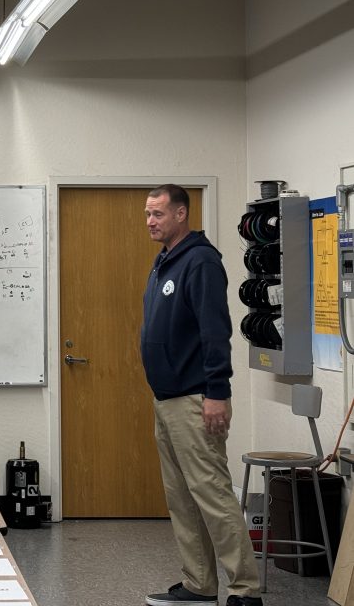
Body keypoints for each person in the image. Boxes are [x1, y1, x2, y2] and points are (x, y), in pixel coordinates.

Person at [140, 185, 262, 606]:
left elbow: (215, 332)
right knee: (182, 498)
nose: (151, 221)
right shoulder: (165, 262)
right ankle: (199, 584)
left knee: (212, 494)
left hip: (195, 399)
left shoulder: (201, 262)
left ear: (180, 214)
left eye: (157, 213)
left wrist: (217, 393)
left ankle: (246, 591)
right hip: (167, 399)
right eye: (147, 214)